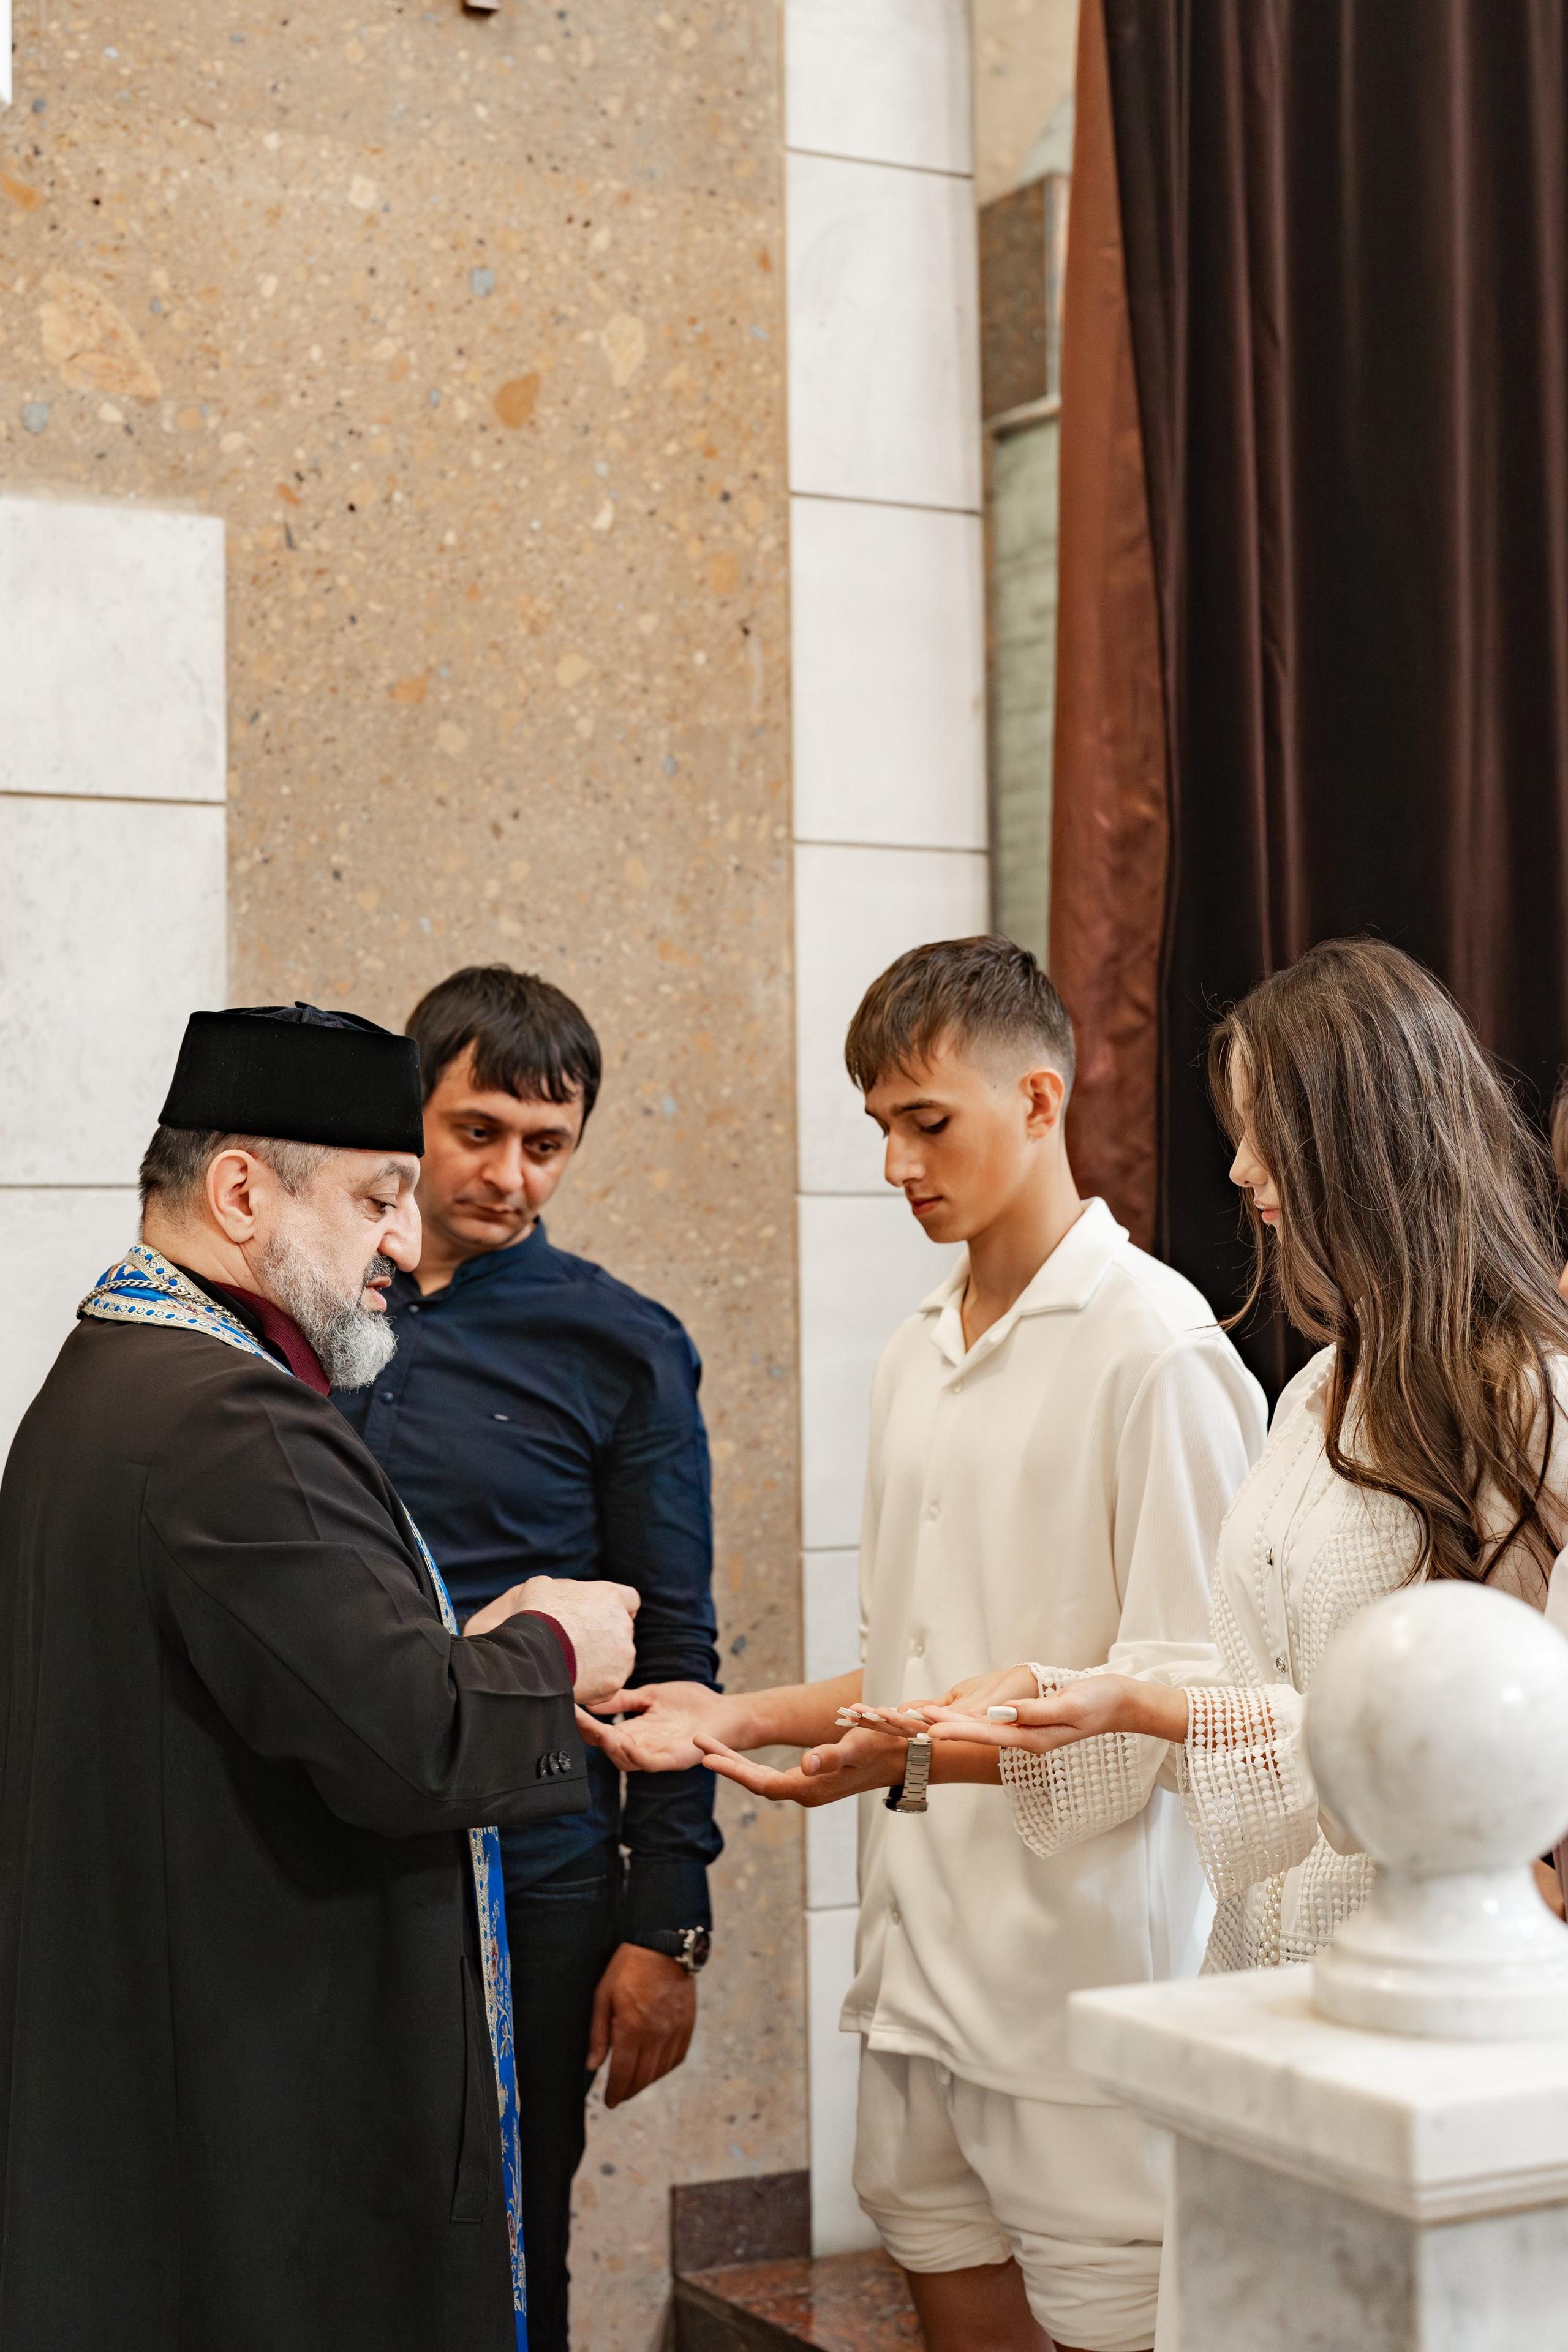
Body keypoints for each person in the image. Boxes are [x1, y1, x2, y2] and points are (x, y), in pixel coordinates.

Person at [589, 938, 1266, 2352]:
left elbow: (1196, 1703)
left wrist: (900, 1759)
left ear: (1036, 1101)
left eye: (925, 1122)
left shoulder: (1156, 1347)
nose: (897, 1165)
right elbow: (905, 1660)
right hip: (913, 1974)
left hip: (1084, 1988)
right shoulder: (915, 1345)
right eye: (879, 1128)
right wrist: (735, 1717)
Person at [0, 1001, 640, 2352]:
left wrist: (475, 1650)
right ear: (242, 1192)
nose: (404, 1247)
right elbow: (418, 1742)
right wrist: (554, 1650)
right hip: (261, 2085)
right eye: (375, 1199)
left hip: (180, 2046)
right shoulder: (228, 1419)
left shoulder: (109, 1378)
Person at [902, 941, 1568, 1980]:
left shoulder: (1527, 1400)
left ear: (1360, 1137)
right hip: (1263, 1960)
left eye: (1265, 1130)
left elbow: (1490, 1742)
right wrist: (1066, 1692)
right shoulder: (1314, 1393)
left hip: (1429, 1976)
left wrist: (1146, 1702)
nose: (1240, 1166)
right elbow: (1245, 1702)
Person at [333, 964, 721, 2352]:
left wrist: (663, 1919)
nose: (510, 1175)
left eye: (545, 1145)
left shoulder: (620, 1343)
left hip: (538, 1871)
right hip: (322, 1854)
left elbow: (675, 1640)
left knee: (505, 2246)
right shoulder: (311, 1312)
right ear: (411, 1119)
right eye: (477, 1130)